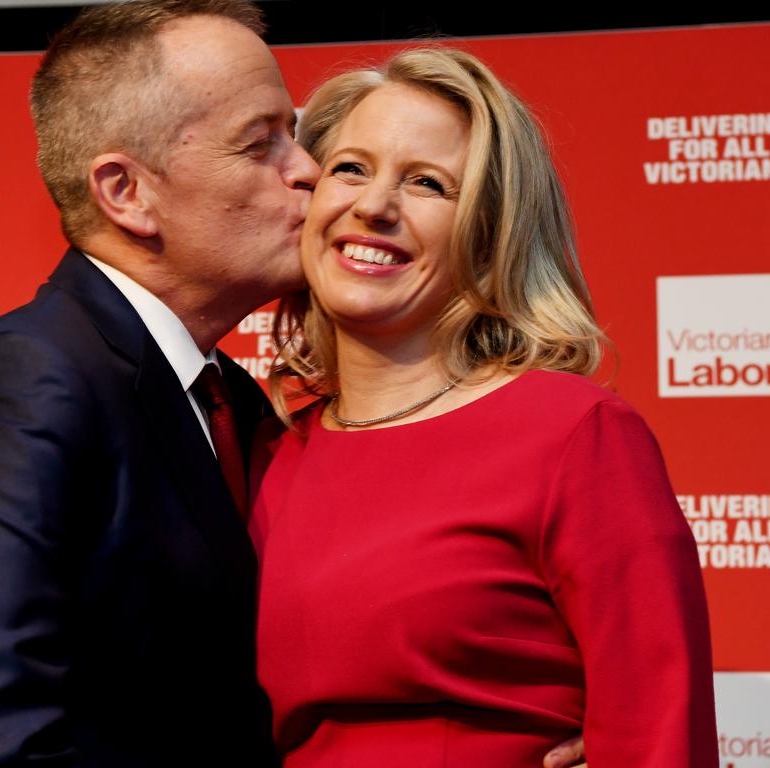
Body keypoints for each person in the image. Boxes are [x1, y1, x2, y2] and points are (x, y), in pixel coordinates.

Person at [0, 2, 317, 766]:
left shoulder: (230, 398)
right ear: (126, 192)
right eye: (261, 144)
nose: (308, 171)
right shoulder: (29, 377)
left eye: (297, 137)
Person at [250, 47, 718, 767]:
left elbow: (661, 732)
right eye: (350, 168)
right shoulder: (268, 453)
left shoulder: (573, 435)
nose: (374, 205)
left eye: (428, 184)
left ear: (490, 235)